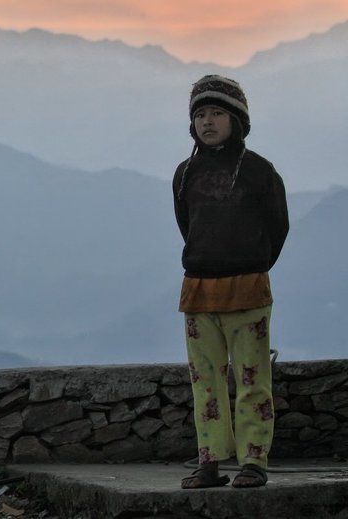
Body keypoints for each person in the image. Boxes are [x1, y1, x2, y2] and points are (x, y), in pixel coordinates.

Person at [172, 75, 289, 489]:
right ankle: (210, 462)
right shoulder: (185, 174)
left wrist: (251, 263)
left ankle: (254, 461)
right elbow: (188, 226)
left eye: (217, 113)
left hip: (248, 288)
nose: (207, 122)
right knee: (205, 382)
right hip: (198, 290)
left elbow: (278, 228)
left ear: (237, 120)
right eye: (200, 114)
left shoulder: (260, 172)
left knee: (253, 378)